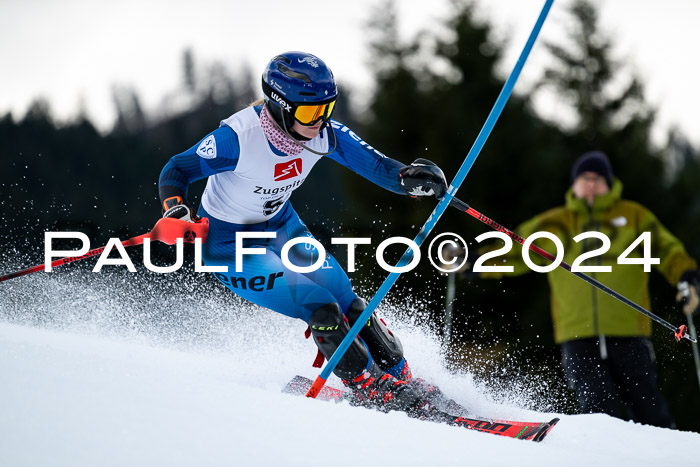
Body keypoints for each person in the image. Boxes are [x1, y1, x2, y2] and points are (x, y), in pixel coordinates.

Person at [157, 51, 448, 416]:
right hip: (228, 244)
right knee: (321, 306)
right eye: (311, 113)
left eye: (328, 109)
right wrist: (175, 210)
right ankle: (369, 388)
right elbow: (176, 169)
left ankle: (401, 377)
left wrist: (410, 180)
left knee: (350, 302)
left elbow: (376, 165)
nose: (321, 122)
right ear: (279, 106)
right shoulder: (238, 139)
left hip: (280, 224)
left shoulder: (322, 134)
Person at [463, 150, 700, 428]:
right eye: (584, 178)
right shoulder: (555, 222)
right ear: (574, 183)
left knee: (648, 408)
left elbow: (667, 250)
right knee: (599, 412)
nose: (590, 184)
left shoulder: (634, 216)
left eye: (598, 179)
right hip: (577, 335)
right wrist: (474, 263)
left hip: (629, 332)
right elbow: (516, 251)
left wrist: (688, 278)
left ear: (609, 184)